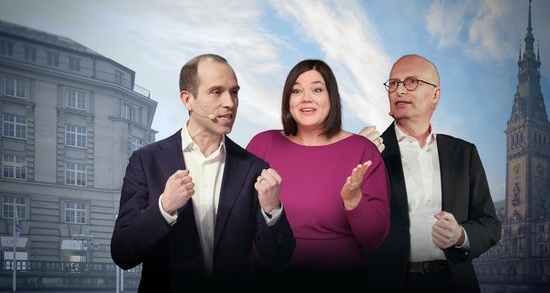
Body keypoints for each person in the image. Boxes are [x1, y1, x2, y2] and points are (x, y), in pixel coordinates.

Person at [110, 54, 296, 291]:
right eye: (217, 92)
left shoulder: (255, 169)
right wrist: (164, 208)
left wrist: (273, 211)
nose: (230, 102)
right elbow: (123, 253)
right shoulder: (146, 161)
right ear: (188, 100)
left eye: (234, 92)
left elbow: (278, 260)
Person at [360, 54, 501, 292]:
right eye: (393, 83)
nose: (399, 91)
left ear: (435, 95)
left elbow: (489, 224)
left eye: (411, 81)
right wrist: (355, 165)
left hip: (454, 282)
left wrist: (461, 235)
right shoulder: (366, 151)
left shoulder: (464, 153)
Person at [246, 59, 390, 287]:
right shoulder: (262, 143)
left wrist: (354, 202)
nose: (306, 98)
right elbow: (241, 222)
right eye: (296, 90)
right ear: (287, 99)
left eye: (317, 89)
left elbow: (375, 238)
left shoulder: (362, 150)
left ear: (331, 97)